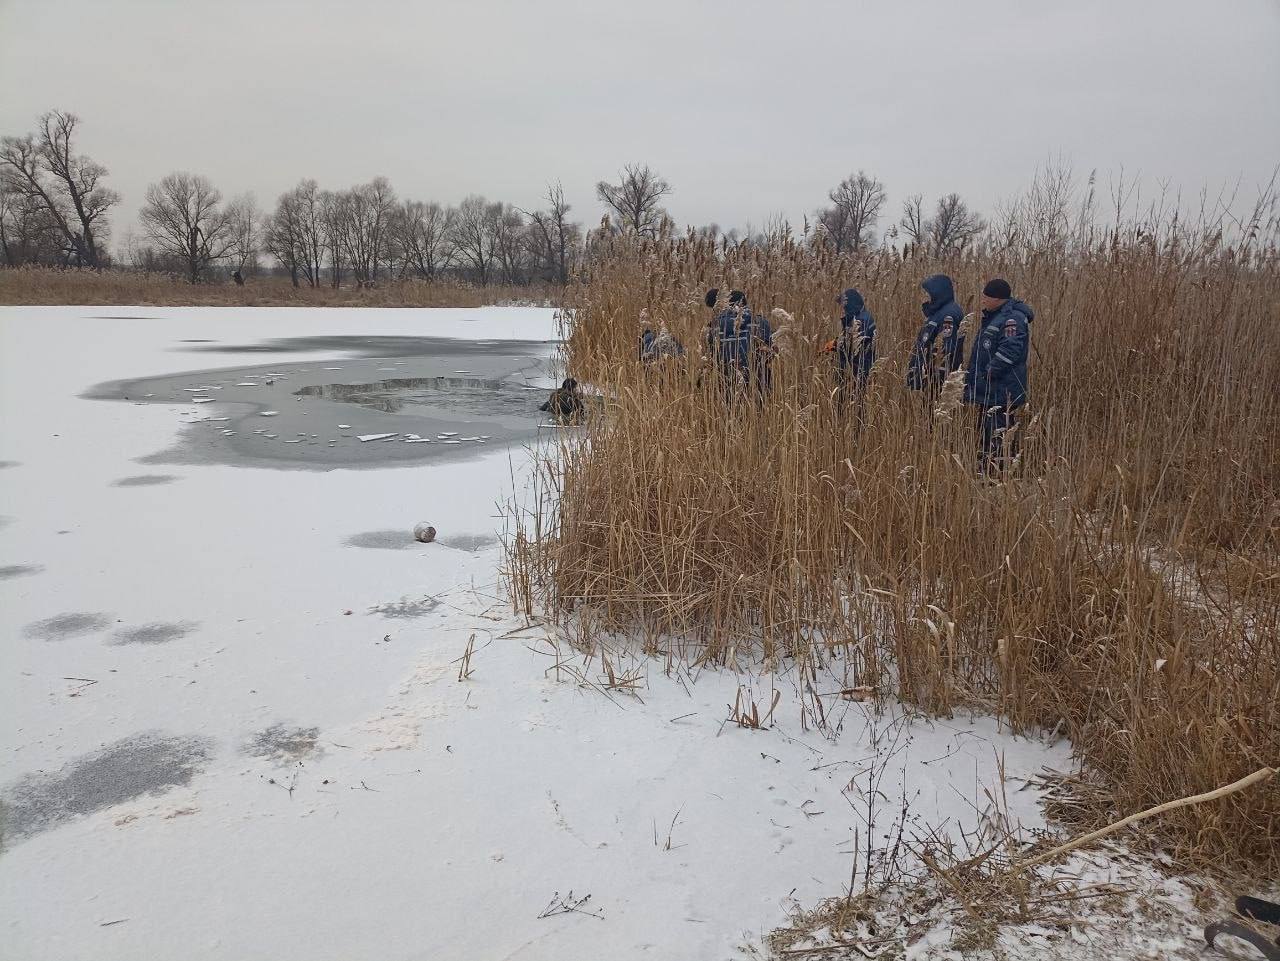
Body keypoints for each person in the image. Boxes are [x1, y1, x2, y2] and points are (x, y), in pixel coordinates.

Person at [964, 278, 1034, 473]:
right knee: (987, 429)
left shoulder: (1012, 319)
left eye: (986, 296)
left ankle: (1000, 471)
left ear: (998, 298)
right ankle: (988, 467)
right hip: (991, 388)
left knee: (999, 430)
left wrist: (989, 372)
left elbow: (1010, 350)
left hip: (1002, 388)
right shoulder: (995, 316)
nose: (983, 299)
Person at [906, 274, 964, 396]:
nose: (926, 296)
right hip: (928, 374)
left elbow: (947, 349)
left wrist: (938, 376)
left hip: (936, 377)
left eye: (928, 292)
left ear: (938, 292)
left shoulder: (948, 315)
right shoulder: (938, 312)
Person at [708, 290, 772, 392]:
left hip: (727, 378)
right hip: (758, 378)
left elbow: (712, 353)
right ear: (745, 303)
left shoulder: (716, 324)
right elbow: (771, 351)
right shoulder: (761, 322)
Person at [825, 288, 875, 393]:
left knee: (854, 404)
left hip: (857, 375)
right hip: (853, 374)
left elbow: (854, 341)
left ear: (851, 304)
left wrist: (835, 344)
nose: (843, 309)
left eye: (844, 306)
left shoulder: (862, 320)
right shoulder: (860, 317)